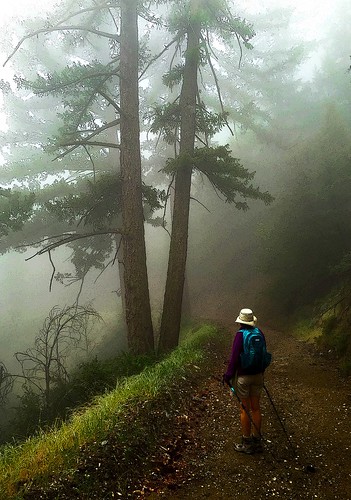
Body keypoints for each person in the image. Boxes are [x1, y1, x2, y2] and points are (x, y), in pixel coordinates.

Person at [223, 308, 270, 454]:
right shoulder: (259, 333)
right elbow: (263, 354)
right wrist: (261, 372)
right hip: (258, 375)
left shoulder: (240, 335)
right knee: (256, 408)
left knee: (244, 409)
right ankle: (257, 441)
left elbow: (234, 358)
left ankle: (247, 443)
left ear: (240, 322)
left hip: (243, 377)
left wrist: (227, 376)